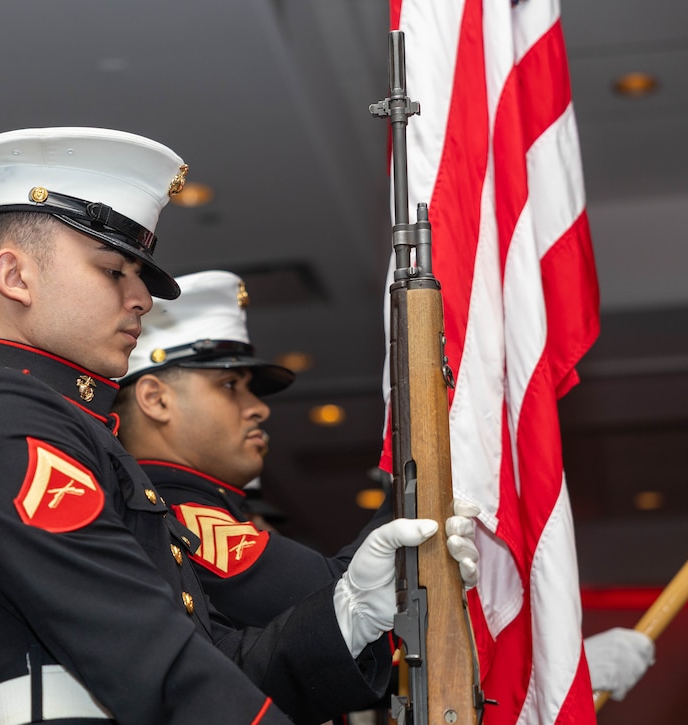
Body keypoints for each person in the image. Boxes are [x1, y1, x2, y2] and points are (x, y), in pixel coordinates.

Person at [0, 128, 479, 725]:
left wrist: (352, 607)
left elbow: (216, 664)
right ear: (15, 277)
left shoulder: (83, 436)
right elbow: (145, 652)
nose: (141, 298)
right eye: (113, 270)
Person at [112, 269, 654, 701]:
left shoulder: (206, 508)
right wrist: (428, 456)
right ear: (155, 399)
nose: (257, 408)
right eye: (230, 385)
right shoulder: (176, 513)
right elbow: (331, 596)